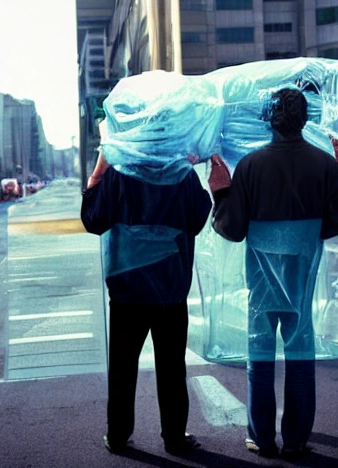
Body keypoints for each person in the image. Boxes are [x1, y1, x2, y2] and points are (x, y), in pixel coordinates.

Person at [208, 87, 338, 460]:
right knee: (300, 351)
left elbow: (233, 229)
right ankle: (295, 439)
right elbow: (334, 222)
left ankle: (261, 438)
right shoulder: (325, 166)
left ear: (269, 120)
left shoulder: (250, 166)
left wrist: (222, 192)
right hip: (302, 278)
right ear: (304, 120)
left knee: (259, 352)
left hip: (261, 283)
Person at [81, 150, 212, 455]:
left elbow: (94, 221)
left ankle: (117, 434)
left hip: (128, 288)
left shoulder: (117, 173)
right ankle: (175, 437)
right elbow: (197, 218)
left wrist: (97, 173)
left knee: (123, 366)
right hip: (171, 287)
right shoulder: (182, 173)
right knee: (171, 366)